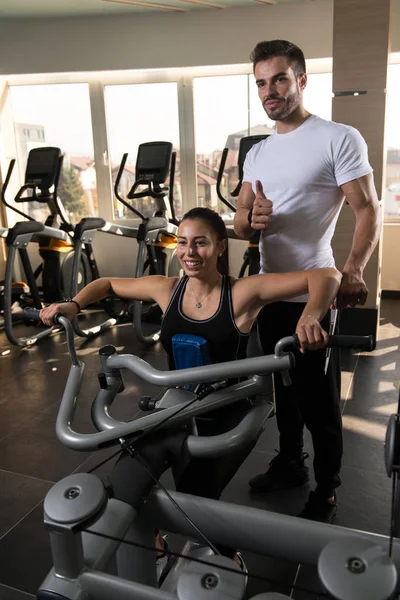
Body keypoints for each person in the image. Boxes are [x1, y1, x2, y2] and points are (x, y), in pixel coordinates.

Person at [40, 207, 341, 564]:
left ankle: (224, 562)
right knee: (125, 483)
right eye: (182, 243)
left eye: (200, 243)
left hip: (228, 412)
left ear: (219, 248)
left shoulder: (243, 293)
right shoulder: (166, 289)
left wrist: (310, 315)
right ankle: (129, 550)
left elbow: (326, 275)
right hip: (179, 404)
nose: (188, 252)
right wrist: (73, 304)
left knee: (194, 498)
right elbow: (106, 284)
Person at [233, 39, 381, 523]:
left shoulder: (338, 137)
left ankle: (328, 486)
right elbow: (238, 225)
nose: (269, 90)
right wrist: (249, 220)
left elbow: (367, 209)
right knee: (283, 387)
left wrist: (354, 269)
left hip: (312, 290)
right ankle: (290, 462)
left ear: (301, 80)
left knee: (317, 397)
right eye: (260, 82)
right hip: (268, 288)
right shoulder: (256, 152)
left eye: (278, 78)